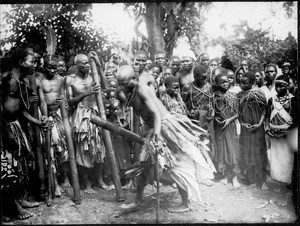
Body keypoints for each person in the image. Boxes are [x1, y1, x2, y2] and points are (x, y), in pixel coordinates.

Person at [117, 65, 216, 212]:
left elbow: (157, 115)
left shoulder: (141, 89)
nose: (123, 87)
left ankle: (185, 203)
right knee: (143, 166)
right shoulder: (130, 91)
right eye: (121, 85)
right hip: (154, 128)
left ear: (133, 79)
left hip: (165, 126)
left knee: (176, 166)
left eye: (125, 84)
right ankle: (137, 202)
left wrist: (157, 137)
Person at [1, 48, 48, 219]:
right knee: (8, 165)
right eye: (31, 61)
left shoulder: (22, 82)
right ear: (21, 63)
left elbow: (21, 111)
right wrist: (5, 130)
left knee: (20, 164)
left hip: (15, 125)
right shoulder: (7, 79)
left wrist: (38, 122)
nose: (35, 63)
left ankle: (19, 199)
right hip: (5, 126)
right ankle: (11, 206)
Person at [65, 52, 110, 193]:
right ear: (76, 65)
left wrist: (98, 64)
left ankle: (99, 180)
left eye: (87, 63)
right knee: (83, 149)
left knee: (98, 148)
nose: (86, 66)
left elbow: (107, 87)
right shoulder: (70, 80)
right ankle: (86, 183)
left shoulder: (93, 76)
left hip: (95, 113)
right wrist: (87, 93)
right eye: (83, 63)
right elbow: (70, 102)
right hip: (81, 116)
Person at [38, 58, 71, 196]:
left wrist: (65, 102)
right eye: (50, 68)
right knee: (49, 150)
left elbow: (63, 96)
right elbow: (42, 101)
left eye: (55, 68)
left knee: (63, 148)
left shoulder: (61, 80)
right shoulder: (39, 80)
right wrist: (46, 118)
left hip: (59, 115)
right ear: (44, 67)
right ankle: (54, 184)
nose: (52, 70)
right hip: (46, 116)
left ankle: (65, 178)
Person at [182, 66, 216, 173]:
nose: (204, 80)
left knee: (209, 142)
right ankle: (199, 171)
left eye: (205, 78)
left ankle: (209, 170)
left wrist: (213, 113)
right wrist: (190, 114)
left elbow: (213, 103)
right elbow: (184, 105)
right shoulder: (188, 87)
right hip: (195, 120)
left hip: (208, 119)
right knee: (197, 144)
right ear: (195, 76)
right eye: (201, 78)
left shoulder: (209, 87)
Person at [237, 71, 268, 190]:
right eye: (241, 83)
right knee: (248, 153)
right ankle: (251, 178)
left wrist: (259, 124)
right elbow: (238, 112)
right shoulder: (240, 96)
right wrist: (243, 123)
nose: (243, 85)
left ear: (253, 83)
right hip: (246, 129)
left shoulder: (259, 94)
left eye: (246, 83)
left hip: (257, 129)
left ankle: (262, 180)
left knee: (259, 153)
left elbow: (265, 110)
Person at [265, 75, 297, 187]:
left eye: (281, 86)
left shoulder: (294, 100)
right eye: (276, 86)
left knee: (288, 159)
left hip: (287, 135)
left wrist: (288, 132)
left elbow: (296, 120)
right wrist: (268, 129)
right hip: (274, 134)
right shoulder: (271, 100)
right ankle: (277, 181)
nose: (278, 89)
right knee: (276, 159)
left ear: (288, 86)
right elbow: (268, 117)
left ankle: (289, 183)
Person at [212, 73, 241, 188]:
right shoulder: (214, 97)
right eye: (222, 82)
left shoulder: (234, 96)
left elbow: (238, 113)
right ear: (217, 84)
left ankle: (233, 176)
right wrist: (215, 119)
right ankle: (224, 175)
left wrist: (229, 120)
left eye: (227, 81)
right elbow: (213, 112)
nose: (225, 83)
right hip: (219, 127)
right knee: (222, 150)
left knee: (231, 150)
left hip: (230, 127)